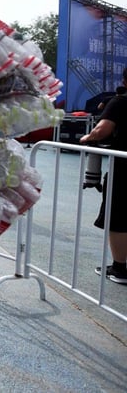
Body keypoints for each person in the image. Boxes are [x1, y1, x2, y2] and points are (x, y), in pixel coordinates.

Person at [80, 68, 127, 285]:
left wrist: (86, 138)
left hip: (124, 168)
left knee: (118, 217)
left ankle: (119, 268)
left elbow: (102, 130)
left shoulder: (119, 102)